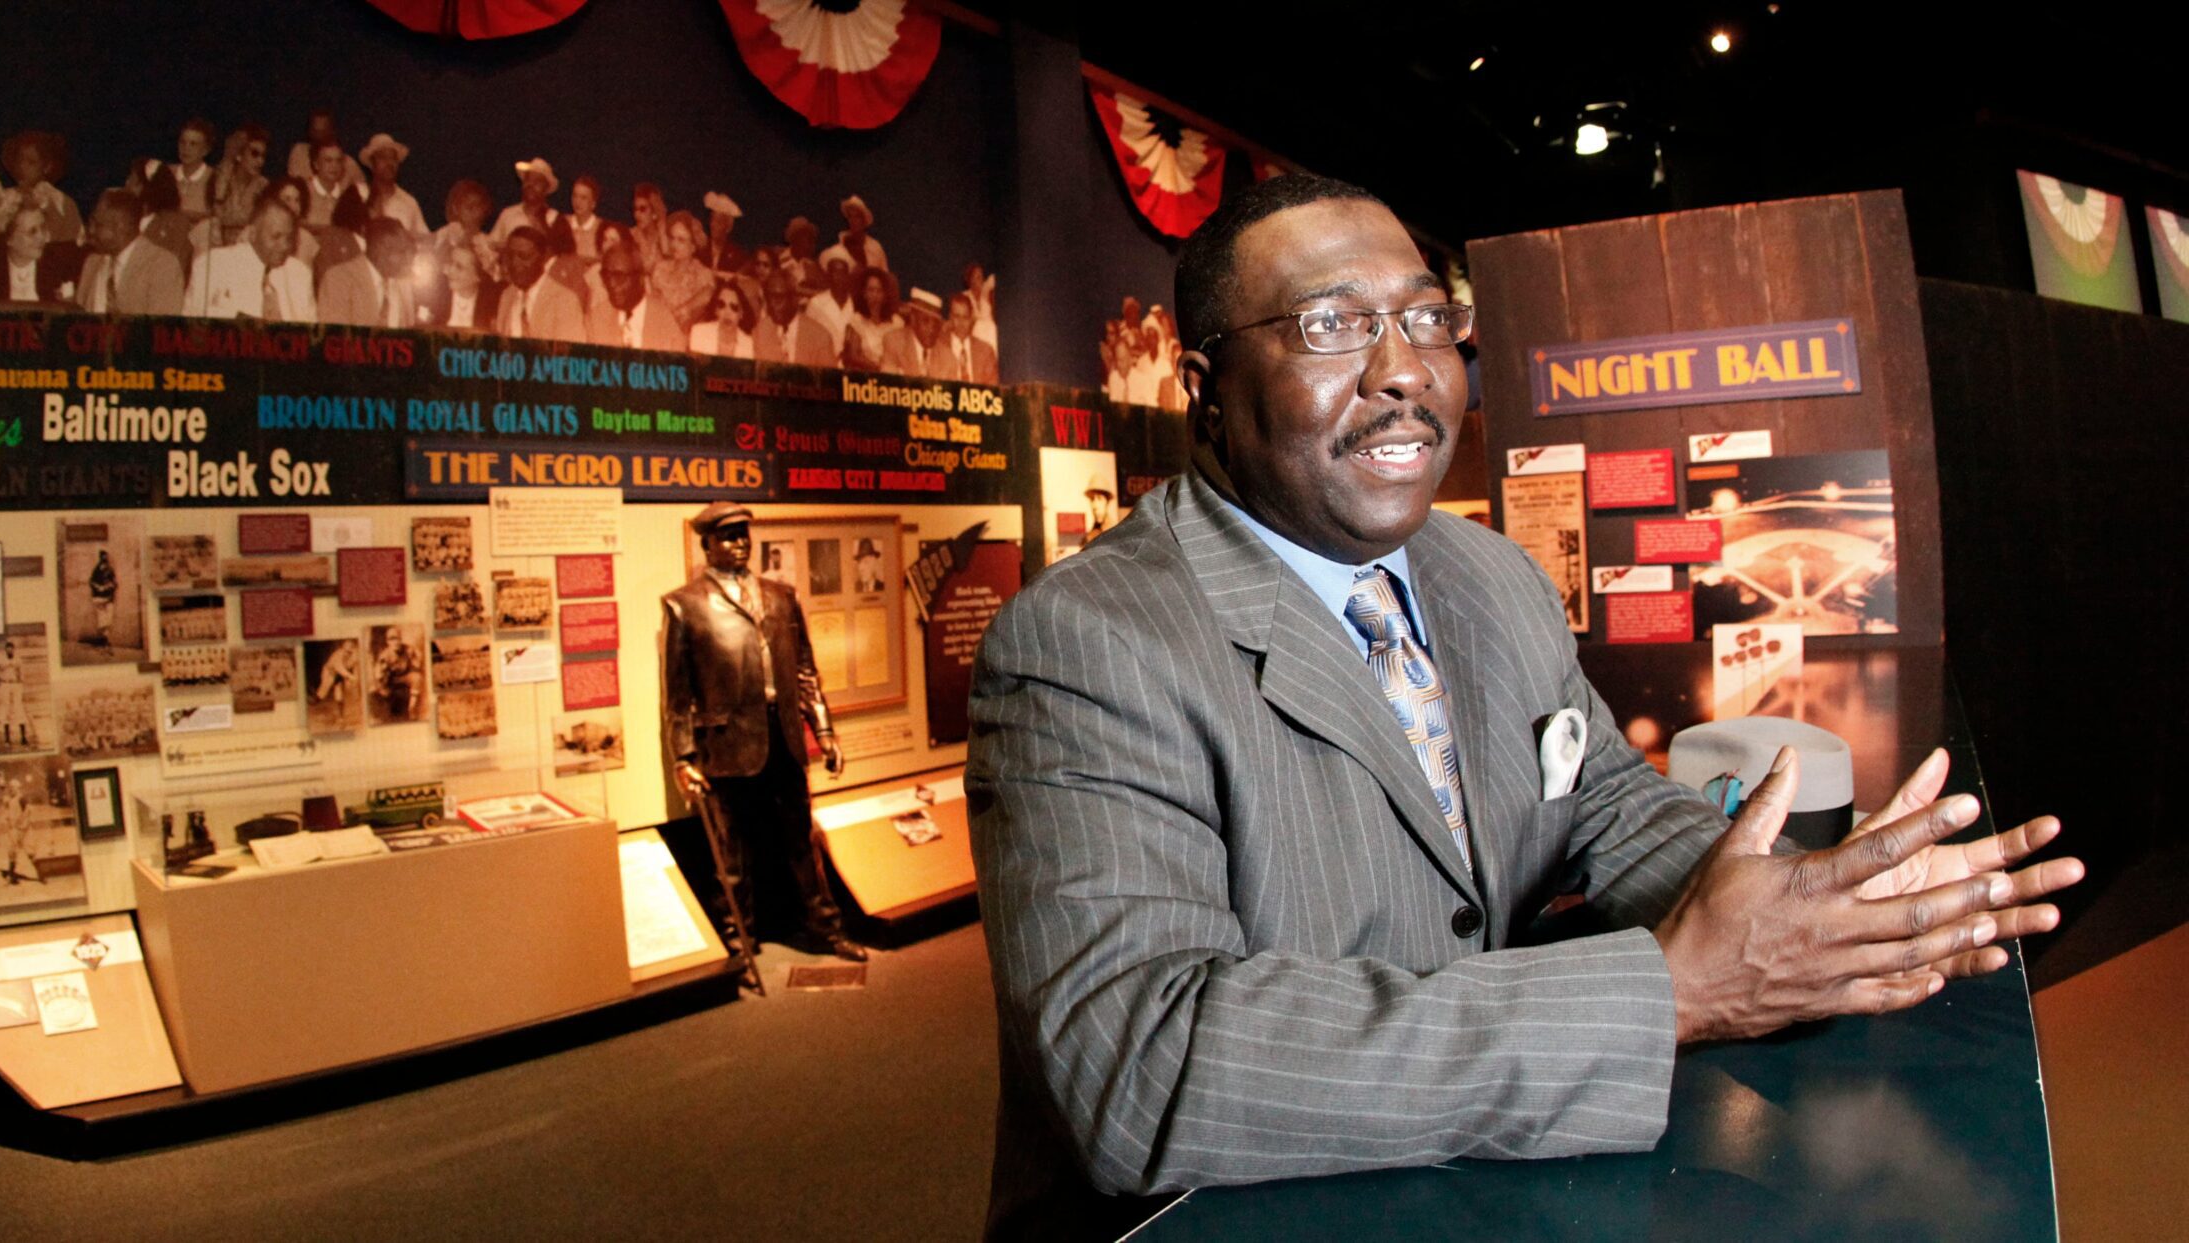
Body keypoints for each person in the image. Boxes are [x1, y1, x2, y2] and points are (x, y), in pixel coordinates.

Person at [964, 173, 2080, 1240]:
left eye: (1427, 319)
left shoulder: (1489, 576)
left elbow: (1604, 805)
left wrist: (1806, 905)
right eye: (1332, 327)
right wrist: (1670, 993)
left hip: (1468, 1190)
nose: (1405, 372)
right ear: (1201, 386)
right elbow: (1144, 1067)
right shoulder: (1087, 643)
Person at [662, 502, 866, 962]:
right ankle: (739, 942)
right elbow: (677, 695)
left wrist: (825, 730)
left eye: (743, 534)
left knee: (801, 841)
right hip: (725, 745)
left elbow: (806, 670)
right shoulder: (684, 605)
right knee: (730, 856)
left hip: (783, 736)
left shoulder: (781, 596)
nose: (739, 543)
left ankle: (826, 930)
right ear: (707, 543)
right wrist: (683, 757)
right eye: (728, 535)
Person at [185, 196, 315, 321]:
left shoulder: (301, 275)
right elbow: (191, 326)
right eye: (276, 236)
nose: (285, 246)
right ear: (253, 234)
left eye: (289, 238)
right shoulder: (214, 265)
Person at [78, 188, 184, 315]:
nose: (91, 231)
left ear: (121, 227)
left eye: (98, 225)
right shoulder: (92, 263)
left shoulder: (162, 266)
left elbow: (159, 329)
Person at [0, 130, 81, 244]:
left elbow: (72, 243)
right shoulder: (4, 198)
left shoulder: (61, 202)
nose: (22, 167)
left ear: (47, 166)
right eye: (19, 160)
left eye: (31, 162)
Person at [589, 243, 687, 352]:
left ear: (640, 278)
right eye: (606, 276)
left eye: (619, 276)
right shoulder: (596, 319)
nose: (611, 284)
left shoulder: (665, 323)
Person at [495, 225, 585, 344]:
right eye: (510, 256)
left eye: (524, 256)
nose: (515, 263)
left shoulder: (565, 301)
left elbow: (568, 356)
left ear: (543, 258)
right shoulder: (507, 296)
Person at [0, 204, 80, 306]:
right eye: (32, 231)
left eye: (43, 228)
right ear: (9, 239)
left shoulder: (59, 265)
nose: (41, 237)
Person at [755, 268, 837, 368]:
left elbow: (828, 381)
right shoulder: (760, 331)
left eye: (779, 297)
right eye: (769, 297)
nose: (772, 304)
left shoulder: (820, 337)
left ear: (795, 299)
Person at [649, 210, 716, 331]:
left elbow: (708, 295)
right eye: (672, 238)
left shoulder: (702, 274)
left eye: (681, 240)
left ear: (693, 246)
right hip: (656, 328)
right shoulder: (660, 268)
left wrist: (683, 309)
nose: (674, 244)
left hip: (686, 333)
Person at [358, 134, 427, 237]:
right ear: (372, 164)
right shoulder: (358, 194)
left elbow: (424, 238)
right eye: (383, 158)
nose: (389, 163)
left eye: (393, 158)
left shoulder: (409, 202)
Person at [942, 291, 1000, 383]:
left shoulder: (986, 351)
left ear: (971, 319)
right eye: (957, 316)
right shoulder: (939, 347)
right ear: (950, 317)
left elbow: (992, 387)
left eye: (965, 317)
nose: (961, 323)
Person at [687, 283, 754, 359]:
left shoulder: (748, 344)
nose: (727, 312)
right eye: (721, 305)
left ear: (741, 314)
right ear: (716, 310)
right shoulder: (698, 333)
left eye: (734, 307)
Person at [0, 639, 30, 750]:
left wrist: (21, 684)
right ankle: (7, 739)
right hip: (4, 685)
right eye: (7, 649)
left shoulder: (18, 659)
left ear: (14, 650)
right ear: (5, 650)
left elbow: (23, 674)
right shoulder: (0, 659)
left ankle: (23, 738)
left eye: (11, 649)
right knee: (5, 709)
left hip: (16, 685)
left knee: (19, 708)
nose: (9, 651)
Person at [86, 548, 119, 650]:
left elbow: (115, 583)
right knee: (102, 619)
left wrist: (109, 586)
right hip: (99, 598)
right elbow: (91, 582)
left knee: (108, 619)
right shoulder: (96, 570)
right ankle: (104, 641)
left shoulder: (110, 569)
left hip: (109, 598)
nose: (105, 559)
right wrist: (98, 587)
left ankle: (105, 640)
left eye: (106, 557)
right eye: (103, 557)